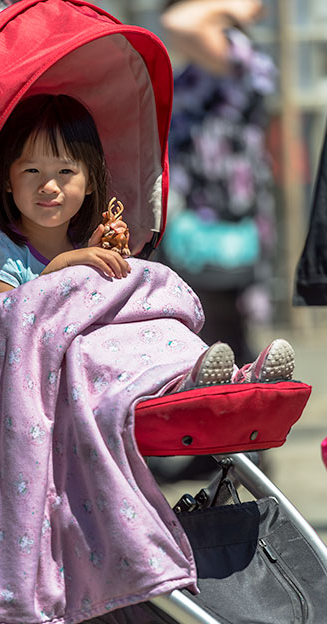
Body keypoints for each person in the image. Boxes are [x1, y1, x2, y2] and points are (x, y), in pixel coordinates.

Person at [0, 92, 295, 391]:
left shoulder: (82, 247)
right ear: (8, 179)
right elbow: (4, 325)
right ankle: (181, 384)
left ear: (90, 182)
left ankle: (228, 379)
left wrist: (105, 267)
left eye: (65, 172)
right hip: (64, 373)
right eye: (32, 171)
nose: (49, 186)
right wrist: (68, 266)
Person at [157, 0, 277, 365]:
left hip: (226, 224)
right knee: (209, 335)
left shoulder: (238, 58)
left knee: (220, 337)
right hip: (194, 225)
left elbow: (178, 21)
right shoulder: (200, 68)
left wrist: (233, 6)